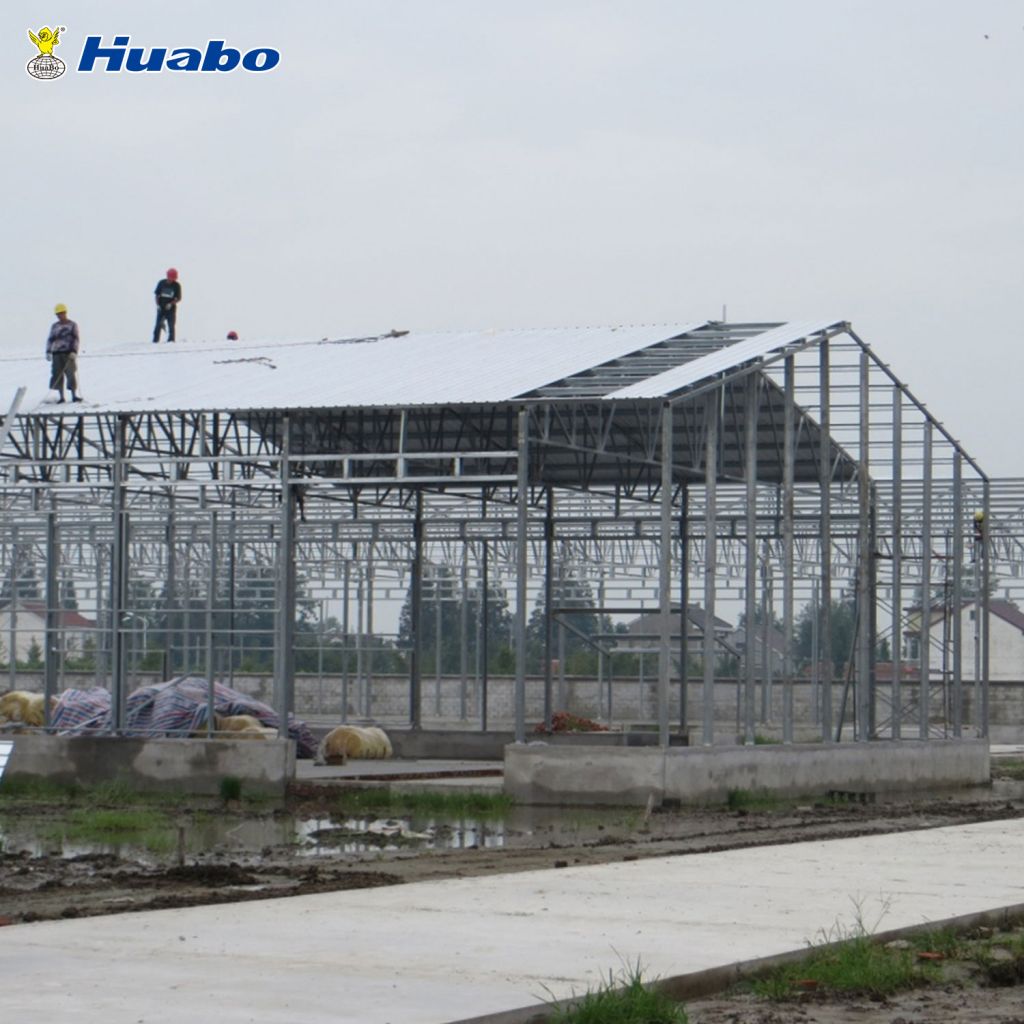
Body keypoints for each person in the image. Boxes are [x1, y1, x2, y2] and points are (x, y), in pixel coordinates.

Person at [46, 303, 81, 403]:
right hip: (56, 353)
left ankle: (74, 395)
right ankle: (61, 397)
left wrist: (74, 351)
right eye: (58, 314)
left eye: (61, 313)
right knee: (57, 374)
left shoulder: (72, 325)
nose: (60, 316)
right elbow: (50, 339)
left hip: (68, 353)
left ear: (65, 313)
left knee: (71, 374)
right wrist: (48, 351)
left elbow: (76, 339)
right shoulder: (55, 326)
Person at [152, 267, 182, 343]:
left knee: (171, 325)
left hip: (170, 309)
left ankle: (171, 341)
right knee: (158, 325)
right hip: (161, 308)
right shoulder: (161, 283)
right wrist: (157, 305)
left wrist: (171, 304)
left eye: (174, 278)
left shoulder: (177, 285)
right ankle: (155, 341)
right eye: (171, 277)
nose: (172, 280)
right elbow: (157, 295)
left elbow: (178, 298)